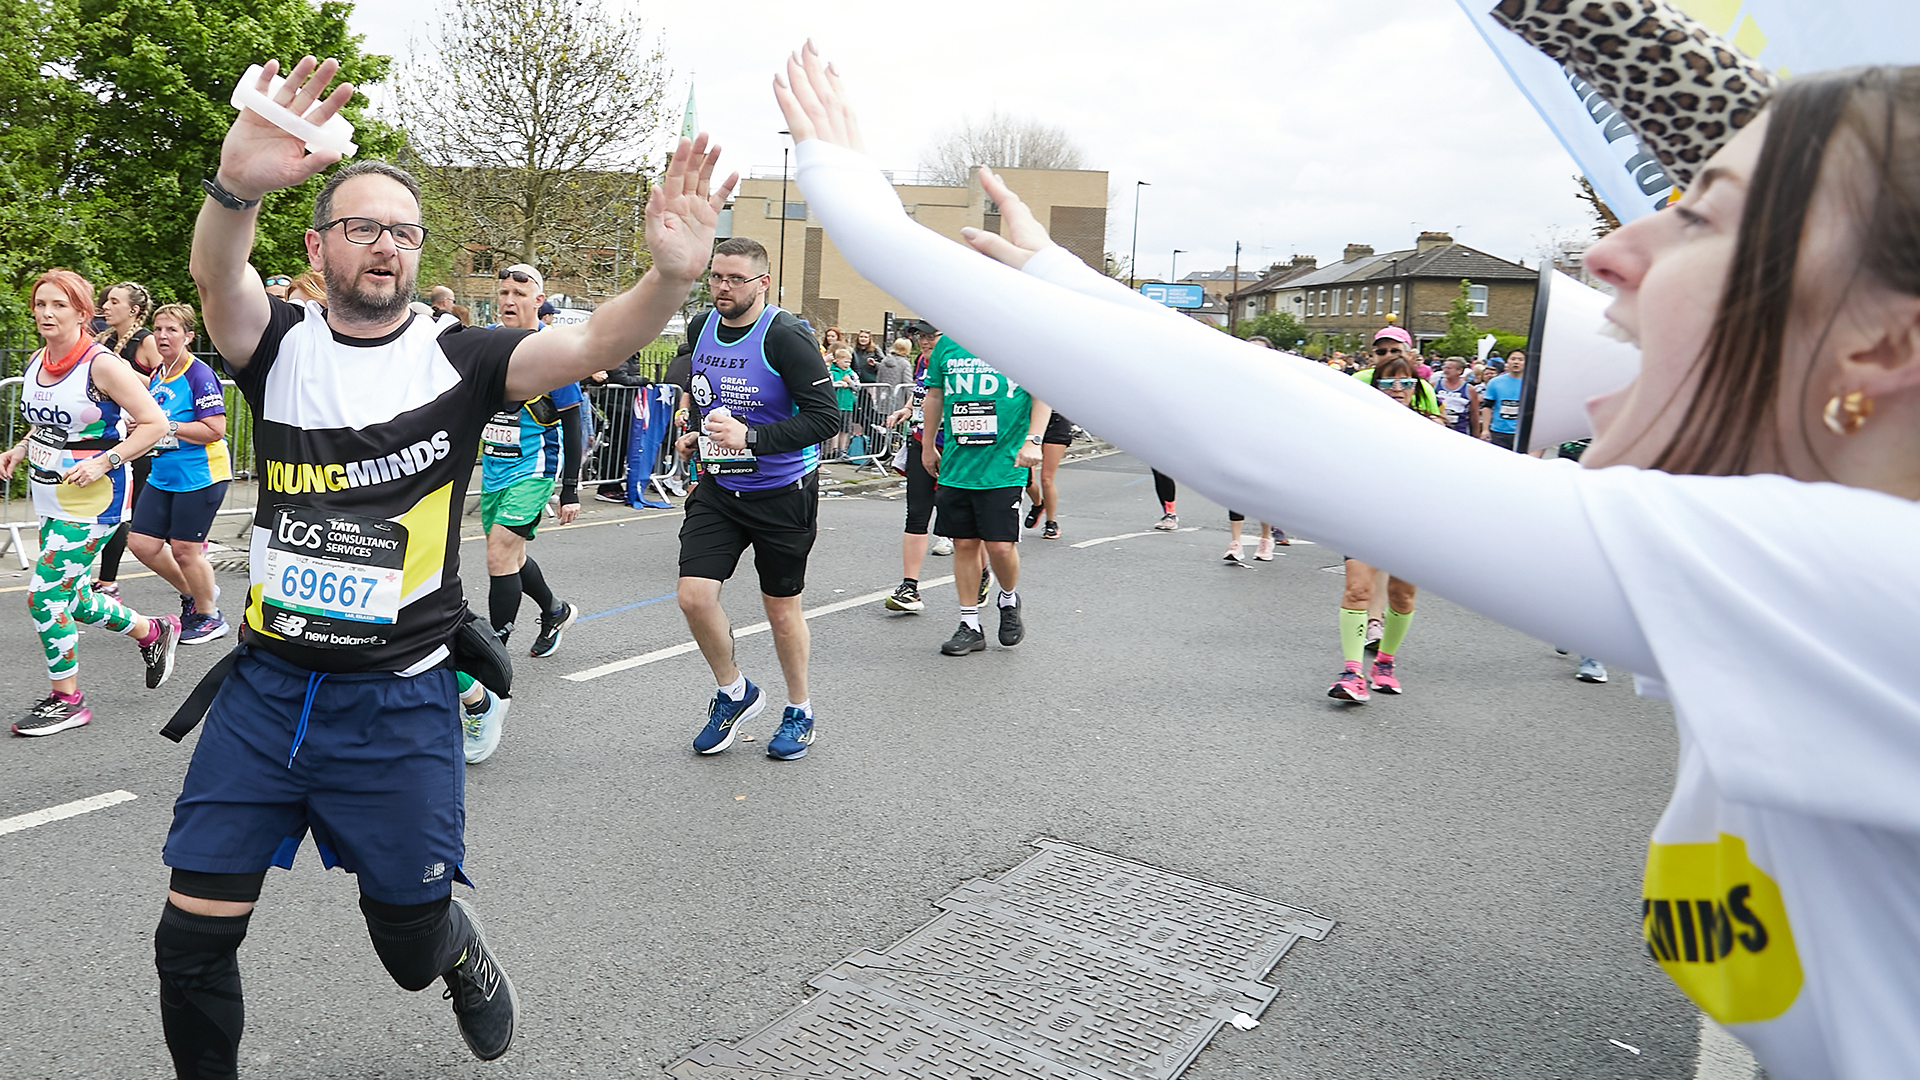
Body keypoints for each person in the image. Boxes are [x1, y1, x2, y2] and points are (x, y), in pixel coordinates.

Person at [779, 41, 1920, 1076]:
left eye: (1704, 218)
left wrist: (859, 208)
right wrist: (1061, 284)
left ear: (1886, 339)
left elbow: (1295, 437)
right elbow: (1313, 413)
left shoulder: (1872, 587)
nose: (1610, 252)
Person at [161, 55, 733, 1073]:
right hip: (264, 691)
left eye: (403, 231)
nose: (385, 244)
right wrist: (235, 184)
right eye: (362, 226)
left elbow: (599, 337)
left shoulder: (464, 357)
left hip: (399, 702)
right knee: (190, 942)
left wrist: (670, 278)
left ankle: (457, 952)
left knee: (406, 939)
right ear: (318, 243)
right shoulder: (279, 343)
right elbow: (217, 276)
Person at [677, 237, 841, 761]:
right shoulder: (701, 326)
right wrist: (695, 434)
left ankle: (800, 708)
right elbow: (704, 394)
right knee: (693, 596)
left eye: (735, 279)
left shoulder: (786, 335)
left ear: (762, 282)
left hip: (782, 492)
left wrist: (749, 437)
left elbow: (825, 420)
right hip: (721, 488)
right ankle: (734, 691)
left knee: (781, 608)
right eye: (716, 277)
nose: (722, 287)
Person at [3, 269, 181, 736]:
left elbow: (154, 423)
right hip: (50, 493)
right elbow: (49, 424)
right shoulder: (37, 362)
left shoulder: (101, 364)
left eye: (59, 305)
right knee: (75, 597)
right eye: (41, 304)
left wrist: (106, 461)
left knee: (45, 596)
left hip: (95, 499)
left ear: (83, 313)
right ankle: (152, 631)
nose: (46, 313)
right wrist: (21, 448)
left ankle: (68, 700)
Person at [919, 332, 1050, 655]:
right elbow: (935, 396)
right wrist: (927, 444)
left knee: (1000, 547)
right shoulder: (947, 344)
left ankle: (1008, 598)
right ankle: (970, 625)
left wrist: (1033, 440)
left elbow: (1043, 394)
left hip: (1004, 463)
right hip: (957, 464)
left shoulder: (1021, 341)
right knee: (963, 543)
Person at [479, 263, 583, 670]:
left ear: (538, 302)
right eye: (504, 293)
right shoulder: (487, 343)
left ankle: (492, 652)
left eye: (519, 295)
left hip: (534, 469)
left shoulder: (552, 351)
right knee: (511, 558)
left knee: (498, 554)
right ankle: (554, 610)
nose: (508, 301)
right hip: (493, 469)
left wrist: (571, 488)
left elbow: (574, 423)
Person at [1328, 354, 1445, 701]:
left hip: (1412, 520)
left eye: (1406, 382)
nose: (1397, 388)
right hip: (1364, 516)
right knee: (1358, 591)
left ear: (1416, 388)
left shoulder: (1432, 427)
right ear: (1375, 385)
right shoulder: (1356, 422)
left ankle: (1385, 663)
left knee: (1402, 595)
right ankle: (1352, 673)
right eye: (1389, 381)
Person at [127, 303, 234, 645]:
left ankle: (209, 616)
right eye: (158, 329)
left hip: (200, 474)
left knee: (185, 550)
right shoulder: (160, 373)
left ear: (188, 336)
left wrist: (168, 425)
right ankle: (196, 592)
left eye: (171, 330)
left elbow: (215, 429)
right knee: (142, 544)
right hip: (164, 472)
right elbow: (153, 423)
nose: (162, 336)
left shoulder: (197, 374)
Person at [92, 281, 166, 600]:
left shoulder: (145, 341)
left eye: (114, 302)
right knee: (111, 509)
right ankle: (104, 580)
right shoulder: (104, 338)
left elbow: (163, 383)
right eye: (106, 301)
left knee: (125, 512)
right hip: (111, 434)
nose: (106, 306)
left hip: (140, 437)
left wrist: (123, 371)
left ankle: (110, 582)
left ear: (133, 310)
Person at [881, 329, 945, 612]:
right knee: (917, 513)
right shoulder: (922, 361)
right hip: (921, 443)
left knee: (960, 517)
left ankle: (980, 574)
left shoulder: (959, 359)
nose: (925, 341)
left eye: (932, 335)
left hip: (956, 449)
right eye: (921, 335)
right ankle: (910, 587)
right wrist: (906, 410)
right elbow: (922, 394)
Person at [1022, 405, 1074, 540]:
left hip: (1057, 423)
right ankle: (1038, 504)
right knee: (1027, 479)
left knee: (1046, 478)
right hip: (1032, 421)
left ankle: (1051, 522)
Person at [1479, 350, 1527, 450]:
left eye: (1520, 360)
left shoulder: (1531, 383)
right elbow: (1487, 406)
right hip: (1499, 431)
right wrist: (1485, 429)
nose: (1516, 362)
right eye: (1513, 359)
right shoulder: (1495, 382)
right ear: (1507, 362)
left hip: (1523, 432)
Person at [1433, 356, 1481, 437]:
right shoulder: (1434, 385)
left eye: (1449, 368)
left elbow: (1474, 413)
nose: (1445, 370)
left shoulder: (1469, 389)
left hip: (1459, 430)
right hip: (1437, 429)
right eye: (1444, 367)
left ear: (1459, 370)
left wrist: (1476, 436)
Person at [827, 344, 858, 456]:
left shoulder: (851, 374)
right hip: (835, 404)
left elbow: (858, 387)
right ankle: (834, 450)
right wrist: (839, 383)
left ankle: (842, 450)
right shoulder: (832, 372)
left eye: (849, 362)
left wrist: (850, 382)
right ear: (837, 361)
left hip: (847, 405)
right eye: (845, 362)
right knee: (835, 428)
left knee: (845, 429)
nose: (847, 364)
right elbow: (828, 385)